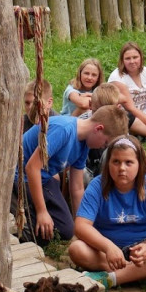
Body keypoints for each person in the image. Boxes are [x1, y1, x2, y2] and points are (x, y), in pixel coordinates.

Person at [69, 135, 146, 289]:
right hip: (105, 252)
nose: (122, 168)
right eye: (116, 162)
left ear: (140, 165)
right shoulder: (97, 186)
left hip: (141, 249)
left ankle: (110, 279)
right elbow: (81, 226)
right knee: (77, 250)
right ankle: (145, 273)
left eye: (129, 162)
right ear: (107, 163)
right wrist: (108, 246)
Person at [14, 105, 129, 246]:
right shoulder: (64, 130)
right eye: (105, 143)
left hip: (43, 179)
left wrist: (83, 226)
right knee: (40, 230)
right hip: (19, 178)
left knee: (67, 231)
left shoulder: (84, 144)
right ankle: (20, 219)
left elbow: (77, 187)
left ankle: (33, 216)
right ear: (98, 129)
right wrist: (42, 211)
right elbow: (32, 167)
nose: (102, 147)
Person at [107, 42, 146, 138]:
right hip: (130, 116)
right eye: (128, 58)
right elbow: (131, 108)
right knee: (126, 117)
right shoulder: (117, 78)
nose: (132, 61)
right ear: (122, 60)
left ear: (141, 57)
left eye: (135, 57)